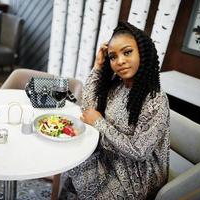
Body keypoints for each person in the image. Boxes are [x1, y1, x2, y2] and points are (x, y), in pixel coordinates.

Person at [60, 21, 170, 199]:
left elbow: (140, 152)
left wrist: (99, 123)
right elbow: (87, 109)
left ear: (142, 52)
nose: (120, 61)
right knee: (69, 162)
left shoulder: (155, 99)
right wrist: (97, 66)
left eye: (127, 52)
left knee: (77, 170)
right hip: (109, 158)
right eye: (112, 57)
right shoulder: (117, 87)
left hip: (138, 177)